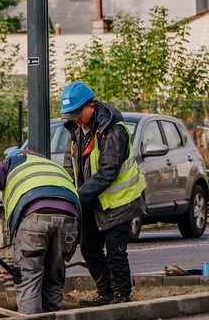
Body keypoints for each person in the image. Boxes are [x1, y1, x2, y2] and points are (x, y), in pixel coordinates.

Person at [0, 149, 80, 315]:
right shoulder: (53, 167)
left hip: (35, 217)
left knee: (28, 278)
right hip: (70, 220)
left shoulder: (13, 162)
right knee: (54, 277)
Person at [60, 81, 146, 306]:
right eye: (71, 116)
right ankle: (105, 292)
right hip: (93, 201)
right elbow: (72, 165)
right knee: (89, 248)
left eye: (78, 114)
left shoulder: (113, 130)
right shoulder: (78, 130)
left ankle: (121, 295)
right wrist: (69, 190)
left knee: (115, 251)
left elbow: (108, 171)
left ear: (91, 106)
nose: (75, 120)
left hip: (120, 202)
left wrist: (77, 198)